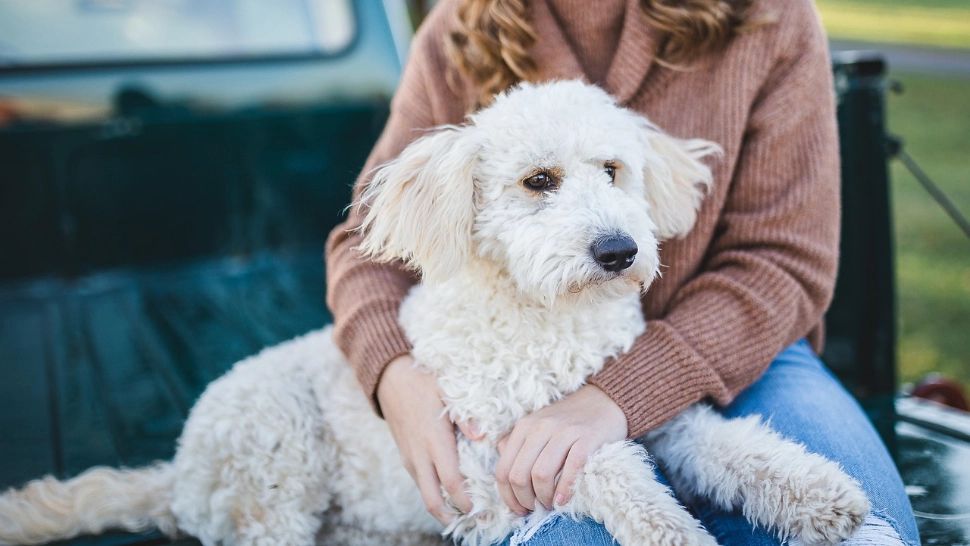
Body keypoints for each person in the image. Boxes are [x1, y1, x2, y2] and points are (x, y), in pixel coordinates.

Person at [325, 0, 920, 544]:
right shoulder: (461, 25)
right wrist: (394, 375)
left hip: (741, 350)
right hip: (519, 359)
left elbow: (784, 260)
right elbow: (366, 243)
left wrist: (621, 394)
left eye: (610, 170)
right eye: (539, 182)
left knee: (867, 532)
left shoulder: (770, 18)